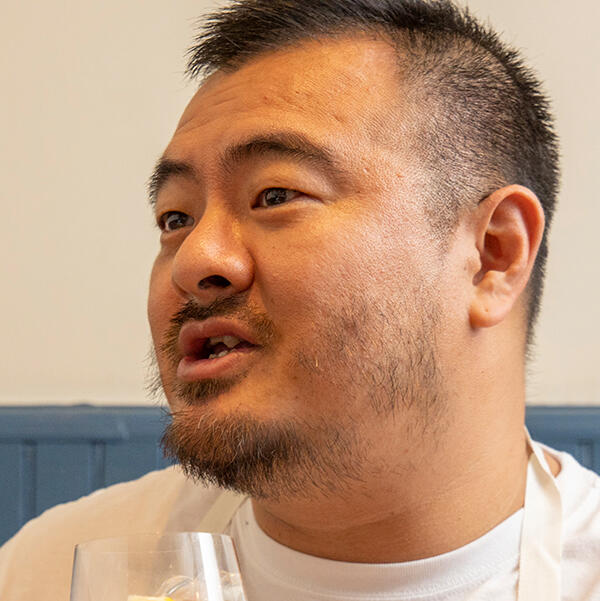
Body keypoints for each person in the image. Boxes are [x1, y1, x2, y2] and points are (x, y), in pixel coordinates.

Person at [1, 1, 599, 599]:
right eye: (176, 218)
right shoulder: (50, 570)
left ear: (493, 255)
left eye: (275, 195)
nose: (193, 261)